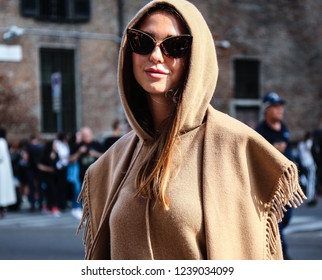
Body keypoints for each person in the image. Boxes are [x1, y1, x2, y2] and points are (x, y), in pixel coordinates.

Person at [77, 0, 305, 260]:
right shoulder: (112, 162)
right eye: (143, 41)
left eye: (175, 46)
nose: (155, 56)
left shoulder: (238, 147)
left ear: (197, 58)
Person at [255, 91, 295, 259]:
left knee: (284, 221)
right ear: (267, 110)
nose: (280, 110)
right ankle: (281, 257)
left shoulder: (284, 128)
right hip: (272, 187)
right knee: (275, 224)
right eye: (276, 107)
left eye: (281, 106)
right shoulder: (260, 132)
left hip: (288, 185)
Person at [0, 127, 17, 219]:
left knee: (0, 190)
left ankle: (0, 210)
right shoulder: (1, 142)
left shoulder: (0, 142)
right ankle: (0, 209)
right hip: (0, 170)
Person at [297, 132, 317, 206]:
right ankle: (310, 197)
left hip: (303, 163)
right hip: (310, 163)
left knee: (306, 179)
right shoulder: (308, 143)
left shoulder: (300, 144)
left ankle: (309, 195)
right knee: (311, 181)